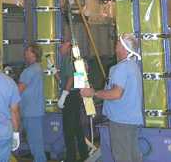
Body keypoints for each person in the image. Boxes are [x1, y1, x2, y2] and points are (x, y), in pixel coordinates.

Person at [81, 33, 143, 162]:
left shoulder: (121, 68)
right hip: (131, 120)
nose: (115, 47)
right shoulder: (133, 66)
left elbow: (116, 93)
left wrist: (94, 93)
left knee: (123, 157)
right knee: (133, 156)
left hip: (121, 121)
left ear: (124, 48)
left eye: (118, 44)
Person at [55, 41, 88, 162]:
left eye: (62, 45)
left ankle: (71, 157)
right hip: (74, 95)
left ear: (69, 48)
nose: (60, 47)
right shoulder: (68, 60)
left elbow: (71, 78)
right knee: (77, 128)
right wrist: (54, 72)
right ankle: (84, 155)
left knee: (69, 129)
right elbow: (63, 80)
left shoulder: (69, 60)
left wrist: (64, 95)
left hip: (70, 96)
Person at [18, 44, 46, 162]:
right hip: (34, 111)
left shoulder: (29, 71)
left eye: (28, 51)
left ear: (34, 54)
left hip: (30, 112)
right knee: (36, 143)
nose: (25, 53)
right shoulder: (38, 68)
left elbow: (18, 90)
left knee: (35, 145)